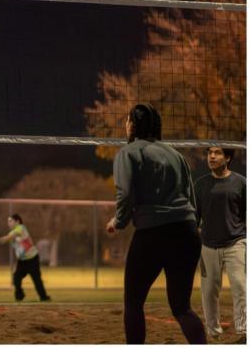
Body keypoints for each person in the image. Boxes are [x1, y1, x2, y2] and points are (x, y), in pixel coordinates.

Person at [105, 103, 206, 344]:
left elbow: (125, 194)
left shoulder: (128, 153)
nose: (125, 124)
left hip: (153, 233)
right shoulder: (176, 154)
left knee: (133, 303)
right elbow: (190, 196)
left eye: (127, 120)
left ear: (133, 125)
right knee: (182, 308)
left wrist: (119, 221)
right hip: (187, 232)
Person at [195, 146, 246, 342]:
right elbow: (195, 217)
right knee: (208, 293)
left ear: (228, 158)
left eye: (217, 153)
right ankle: (213, 333)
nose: (212, 156)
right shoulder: (200, 185)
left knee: (241, 288)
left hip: (236, 243)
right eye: (209, 153)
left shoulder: (241, 183)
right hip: (208, 246)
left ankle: (244, 331)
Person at [0, 213, 50, 302]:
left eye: (10, 221)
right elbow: (6, 240)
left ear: (17, 221)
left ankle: (44, 297)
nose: (8, 223)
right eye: (8, 221)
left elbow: (8, 237)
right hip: (22, 261)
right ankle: (19, 296)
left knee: (36, 279)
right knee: (16, 278)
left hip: (32, 258)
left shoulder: (21, 228)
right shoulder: (12, 233)